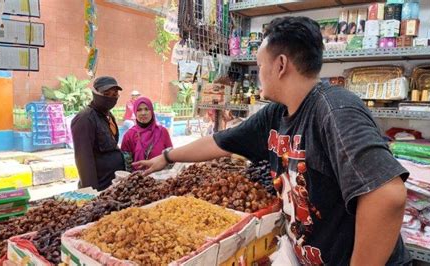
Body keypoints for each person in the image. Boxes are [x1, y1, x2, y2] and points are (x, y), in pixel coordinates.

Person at [134, 16, 410, 265]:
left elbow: (387, 195)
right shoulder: (277, 113)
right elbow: (219, 142)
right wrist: (167, 157)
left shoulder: (335, 110)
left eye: (260, 64)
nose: (258, 73)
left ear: (280, 65)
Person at [71, 76, 125, 191]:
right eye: (106, 94)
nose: (111, 98)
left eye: (115, 95)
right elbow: (84, 160)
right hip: (100, 188)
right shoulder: (85, 119)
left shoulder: (109, 116)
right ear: (95, 93)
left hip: (112, 186)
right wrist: (91, 193)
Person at [121, 96, 172, 168]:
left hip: (161, 177)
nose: (143, 113)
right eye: (139, 110)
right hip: (138, 177)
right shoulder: (129, 135)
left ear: (151, 111)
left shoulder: (162, 132)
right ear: (135, 112)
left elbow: (170, 158)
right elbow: (127, 165)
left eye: (146, 109)